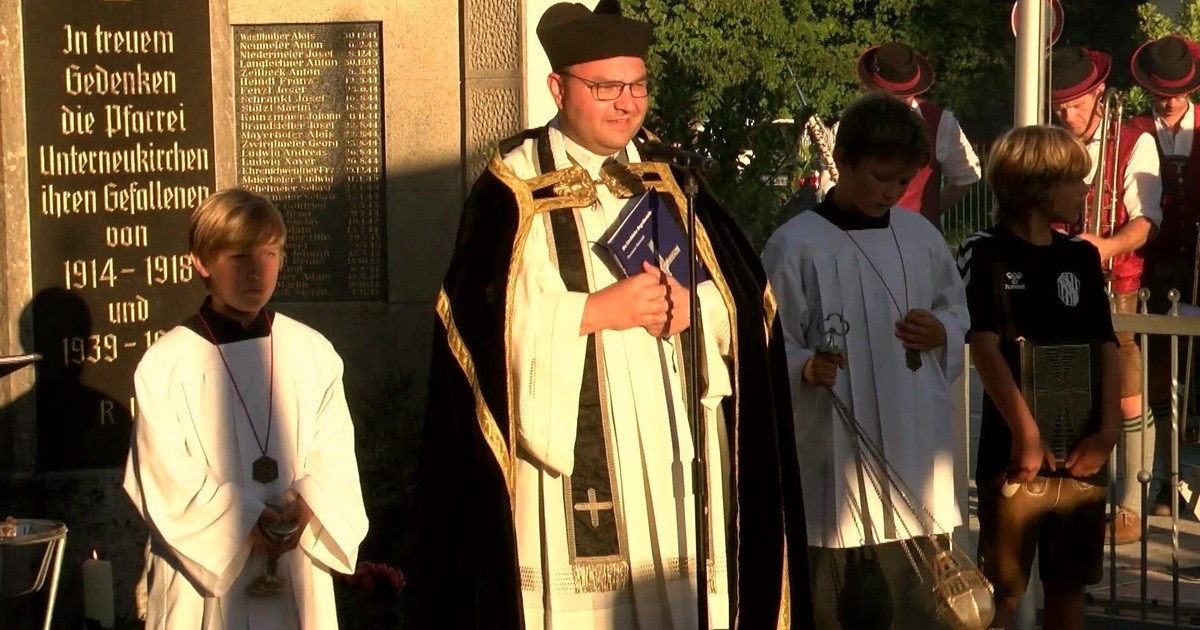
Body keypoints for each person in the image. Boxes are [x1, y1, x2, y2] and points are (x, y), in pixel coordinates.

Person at [413, 1, 814, 628]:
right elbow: (479, 326)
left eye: (637, 85)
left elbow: (742, 297)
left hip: (676, 444)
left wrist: (698, 306)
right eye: (605, 87)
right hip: (571, 460)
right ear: (558, 87)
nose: (626, 103)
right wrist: (595, 311)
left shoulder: (672, 179)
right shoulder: (513, 186)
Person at [763, 92, 970, 628]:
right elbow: (767, 339)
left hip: (914, 450)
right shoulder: (795, 244)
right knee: (839, 605)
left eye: (904, 180)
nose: (892, 191)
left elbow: (957, 312)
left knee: (917, 607)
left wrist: (941, 330)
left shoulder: (921, 236)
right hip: (834, 455)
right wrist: (803, 364)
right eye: (880, 176)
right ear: (845, 161)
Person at [123, 188, 369, 628]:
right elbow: (164, 478)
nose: (258, 271)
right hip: (206, 577)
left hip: (295, 562)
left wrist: (311, 504)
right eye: (239, 257)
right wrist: (244, 521)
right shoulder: (166, 364)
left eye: (270, 253)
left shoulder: (310, 351)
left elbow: (334, 454)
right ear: (200, 262)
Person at [957, 125, 1120, 630]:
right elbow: (984, 344)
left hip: (1083, 455)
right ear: (1038, 186)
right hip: (1015, 462)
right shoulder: (984, 253)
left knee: (1069, 583)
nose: (1085, 191)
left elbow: (1106, 344)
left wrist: (1108, 432)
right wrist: (1026, 435)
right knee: (1000, 595)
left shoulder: (1082, 256)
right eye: (1075, 180)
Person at [1049, 46, 1164, 544]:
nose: (1066, 115)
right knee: (1068, 388)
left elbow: (1147, 220)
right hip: (1059, 283)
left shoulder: (1136, 139)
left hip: (1119, 285)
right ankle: (1076, 491)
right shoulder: (1050, 137)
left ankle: (1132, 506)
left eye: (1075, 104)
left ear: (1098, 94)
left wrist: (1107, 246)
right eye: (1059, 106)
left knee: (1129, 393)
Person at [1128, 33, 1200, 516]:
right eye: (1162, 89)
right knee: (1158, 377)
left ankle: (1190, 483)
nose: (1170, 98)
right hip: (1152, 264)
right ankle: (1160, 481)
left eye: (1178, 88)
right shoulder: (1134, 131)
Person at [817, 42, 981, 225]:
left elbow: (967, 175)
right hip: (857, 236)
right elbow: (829, 185)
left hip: (915, 244)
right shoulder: (848, 126)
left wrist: (930, 214)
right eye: (893, 96)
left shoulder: (940, 123)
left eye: (906, 96)